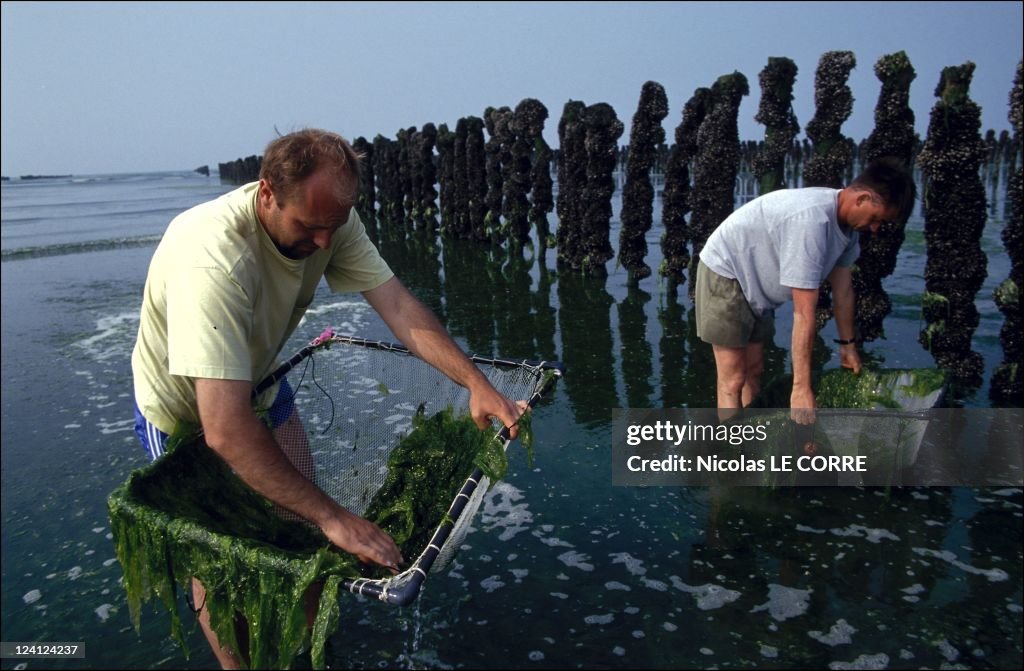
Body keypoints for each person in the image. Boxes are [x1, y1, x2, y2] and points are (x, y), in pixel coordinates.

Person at [131, 128, 525, 668]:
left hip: (260, 377)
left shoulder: (332, 217)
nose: (323, 243)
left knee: (299, 524)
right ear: (266, 192)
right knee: (219, 552)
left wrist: (476, 383)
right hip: (183, 410)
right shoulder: (213, 257)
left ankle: (311, 646)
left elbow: (399, 307)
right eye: (310, 227)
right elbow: (221, 426)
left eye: (333, 226)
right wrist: (334, 518)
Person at [694, 157, 916, 425]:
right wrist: (801, 389)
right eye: (876, 219)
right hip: (727, 272)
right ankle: (732, 451)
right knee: (733, 379)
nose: (876, 228)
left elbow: (843, 290)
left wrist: (848, 346)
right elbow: (803, 312)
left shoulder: (848, 227)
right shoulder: (811, 222)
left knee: (754, 368)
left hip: (759, 284)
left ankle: (750, 435)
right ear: (862, 198)